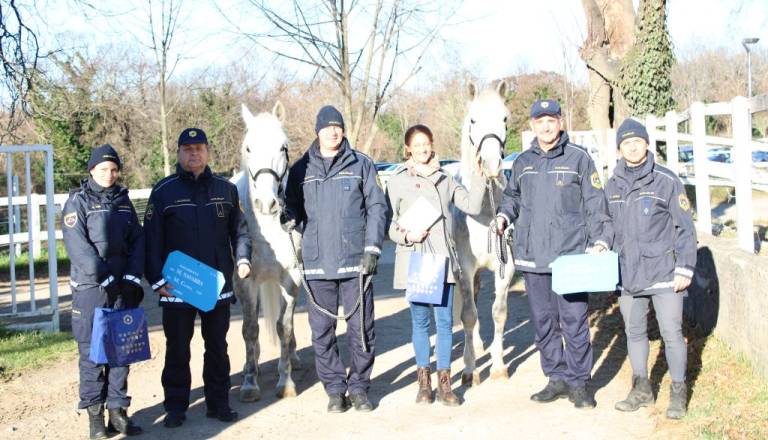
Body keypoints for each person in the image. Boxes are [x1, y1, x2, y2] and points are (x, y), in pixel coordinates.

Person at [494, 99, 613, 409]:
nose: (546, 126)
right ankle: (556, 377)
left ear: (561, 122)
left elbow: (595, 203)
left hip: (570, 258)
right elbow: (512, 198)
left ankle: (579, 383)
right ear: (532, 125)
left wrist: (601, 239)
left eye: (551, 120)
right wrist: (503, 217)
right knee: (544, 322)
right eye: (540, 121)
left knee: (573, 322)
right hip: (533, 258)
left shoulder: (579, 159)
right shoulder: (522, 162)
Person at [143, 128, 252, 428]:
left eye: (199, 148)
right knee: (178, 348)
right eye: (187, 148)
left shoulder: (226, 190)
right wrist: (155, 280)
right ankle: (176, 407)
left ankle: (219, 403)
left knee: (217, 346)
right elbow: (151, 240)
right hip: (177, 286)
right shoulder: (163, 192)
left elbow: (240, 231)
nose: (194, 153)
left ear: (207, 152)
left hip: (216, 286)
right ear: (178, 153)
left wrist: (242, 259)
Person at [283, 105, 387, 413]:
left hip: (356, 263)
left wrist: (372, 250)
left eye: (337, 126)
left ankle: (358, 387)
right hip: (316, 265)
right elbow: (293, 209)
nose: (333, 131)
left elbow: (378, 209)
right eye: (327, 127)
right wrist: (286, 216)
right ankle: (334, 388)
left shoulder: (361, 164)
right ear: (317, 131)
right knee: (322, 332)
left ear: (343, 130)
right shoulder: (300, 169)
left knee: (362, 330)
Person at [385, 124, 484, 406]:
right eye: (416, 145)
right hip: (414, 261)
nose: (422, 149)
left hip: (442, 261)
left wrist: (478, 176)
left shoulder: (446, 178)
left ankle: (445, 385)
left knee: (444, 323)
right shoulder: (397, 180)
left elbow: (473, 205)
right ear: (408, 149)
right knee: (419, 323)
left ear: (432, 144)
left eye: (426, 143)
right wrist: (407, 235)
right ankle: (423, 385)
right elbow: (389, 227)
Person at [607, 118, 697, 419]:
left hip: (663, 272)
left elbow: (685, 227)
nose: (632, 147)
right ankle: (642, 389)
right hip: (628, 275)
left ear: (647, 143)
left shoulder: (666, 180)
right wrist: (599, 244)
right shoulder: (612, 183)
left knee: (671, 332)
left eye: (637, 141)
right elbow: (606, 225)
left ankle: (678, 394)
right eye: (626, 143)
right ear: (619, 149)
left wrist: (685, 267)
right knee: (634, 332)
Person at [62, 144, 144, 439]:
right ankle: (95, 416)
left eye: (113, 169)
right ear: (92, 170)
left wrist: (134, 278)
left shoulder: (123, 202)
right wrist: (106, 278)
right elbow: (79, 249)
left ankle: (118, 412)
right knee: (93, 354)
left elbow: (137, 240)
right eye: (103, 169)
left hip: (122, 286)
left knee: (121, 351)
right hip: (91, 290)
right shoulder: (77, 203)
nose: (109, 174)